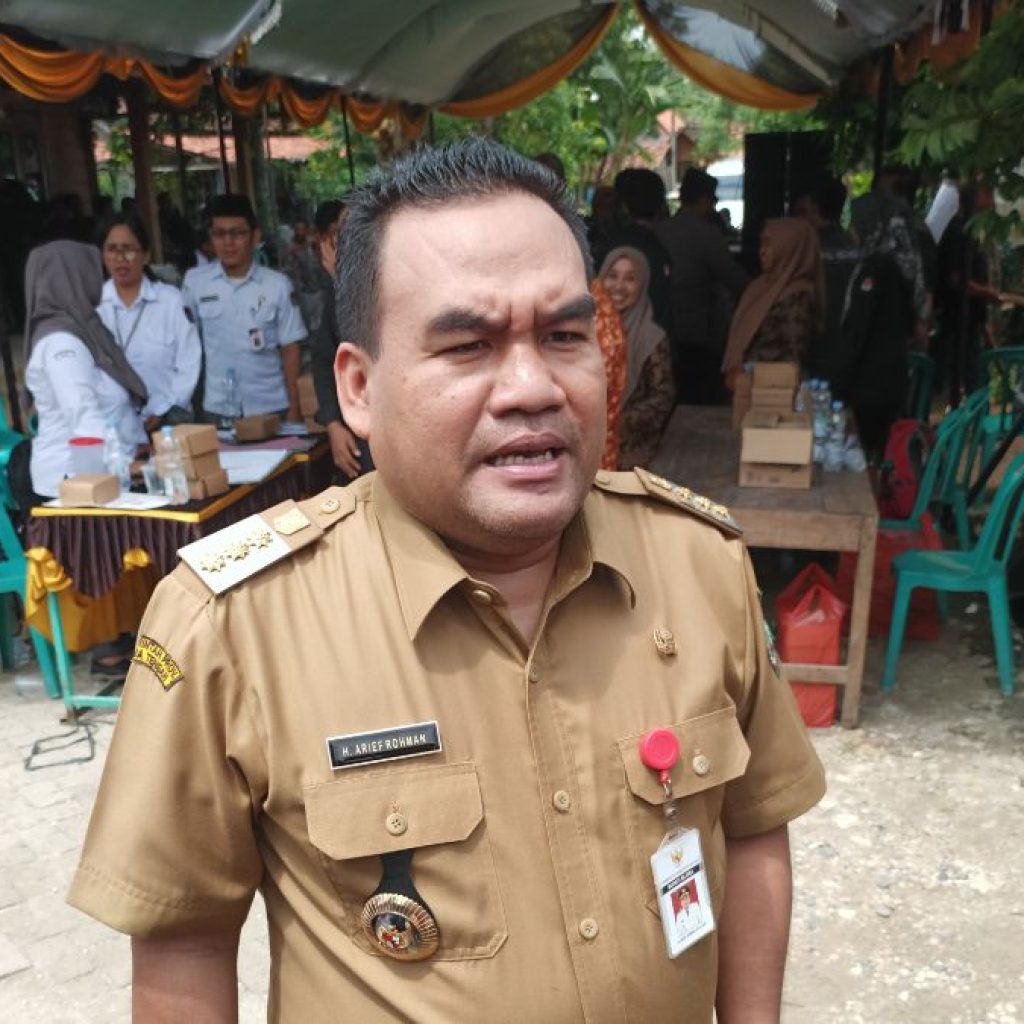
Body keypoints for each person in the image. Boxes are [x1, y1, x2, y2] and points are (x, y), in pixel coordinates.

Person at [68, 138, 825, 1023]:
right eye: (468, 346)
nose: (532, 388)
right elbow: (185, 943)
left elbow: (752, 827)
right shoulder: (234, 625)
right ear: (358, 388)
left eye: (565, 336)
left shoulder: (698, 563)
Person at [24, 240, 148, 499]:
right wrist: (127, 465)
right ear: (75, 277)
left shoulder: (84, 331)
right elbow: (82, 414)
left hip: (100, 479)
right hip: (73, 484)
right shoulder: (61, 342)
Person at [182, 194, 306, 421]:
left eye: (237, 233)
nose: (228, 242)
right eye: (219, 234)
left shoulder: (277, 286)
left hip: (271, 405)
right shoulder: (195, 283)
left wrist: (295, 408)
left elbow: (290, 349)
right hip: (218, 408)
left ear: (255, 236)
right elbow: (187, 346)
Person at [96, 212, 201, 434]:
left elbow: (189, 361)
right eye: (112, 249)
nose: (120, 258)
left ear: (145, 255)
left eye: (129, 249)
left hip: (169, 425)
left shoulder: (171, 300)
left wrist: (163, 412)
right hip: (114, 429)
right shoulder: (95, 306)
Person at [656, 167, 749, 404]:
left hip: (664, 327)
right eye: (714, 200)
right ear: (704, 200)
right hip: (698, 328)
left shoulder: (661, 230)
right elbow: (731, 277)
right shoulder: (707, 234)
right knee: (701, 396)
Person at [305, 198, 367, 479]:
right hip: (354, 435)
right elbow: (324, 359)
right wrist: (332, 423)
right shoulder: (338, 290)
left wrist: (340, 280)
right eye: (338, 233)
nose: (337, 242)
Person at [600, 246, 675, 469]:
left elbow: (662, 398)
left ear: (642, 284)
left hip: (629, 451)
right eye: (612, 276)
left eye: (630, 279)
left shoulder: (651, 337)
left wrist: (614, 421)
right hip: (583, 445)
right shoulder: (581, 329)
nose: (619, 286)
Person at [722, 218, 824, 379]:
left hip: (770, 387)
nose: (762, 251)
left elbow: (792, 357)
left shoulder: (797, 296)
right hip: (748, 383)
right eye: (761, 244)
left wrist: (750, 372)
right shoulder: (761, 287)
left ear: (789, 249)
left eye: (769, 245)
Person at [795, 178, 861, 382]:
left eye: (800, 212)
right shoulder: (855, 247)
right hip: (850, 349)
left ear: (813, 209)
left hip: (813, 350)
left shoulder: (803, 252)